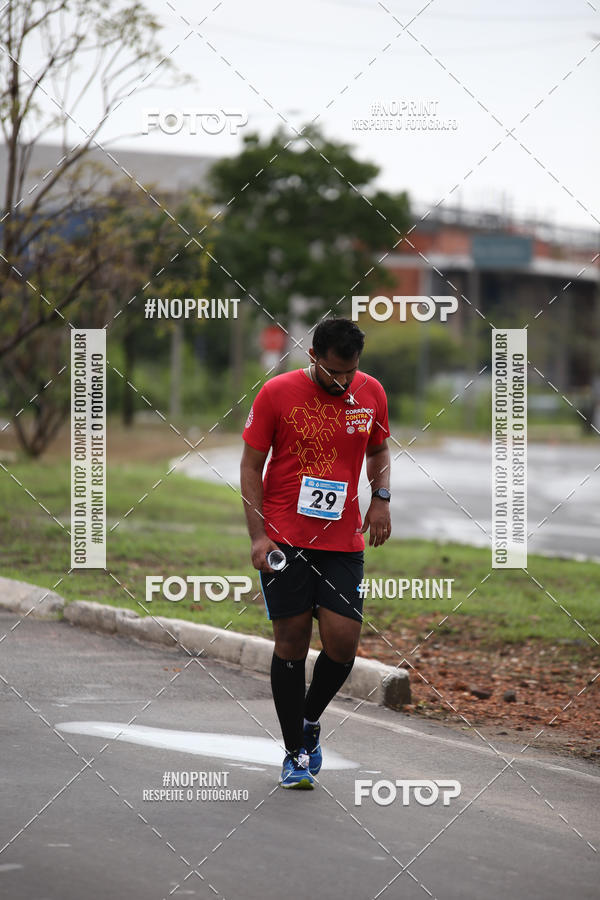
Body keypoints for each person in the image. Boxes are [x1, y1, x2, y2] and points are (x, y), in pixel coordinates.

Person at [240, 317, 391, 789]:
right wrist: (258, 535)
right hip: (284, 537)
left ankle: (307, 721)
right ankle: (294, 755)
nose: (343, 383)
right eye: (333, 374)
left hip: (342, 540)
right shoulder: (276, 394)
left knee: (343, 642)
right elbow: (250, 464)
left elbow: (378, 452)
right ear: (312, 357)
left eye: (351, 373)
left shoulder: (370, 393)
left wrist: (381, 498)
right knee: (291, 640)